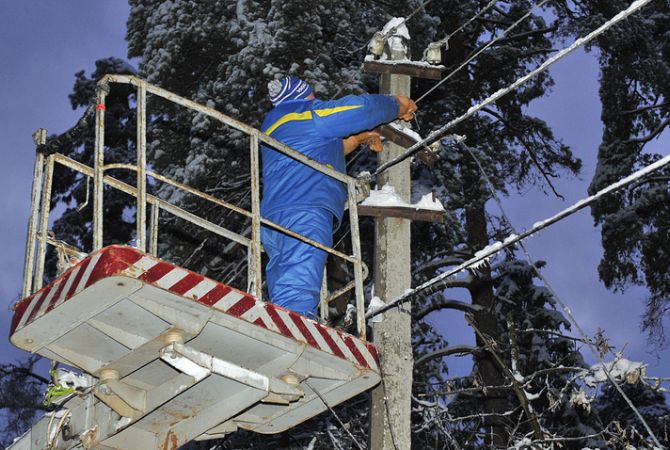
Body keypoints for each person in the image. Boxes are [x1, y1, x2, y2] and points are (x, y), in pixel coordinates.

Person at [260, 75, 417, 318]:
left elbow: (316, 148)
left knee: (285, 279)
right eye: (312, 96)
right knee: (299, 283)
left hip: (275, 215)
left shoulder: (278, 125)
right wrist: (397, 104)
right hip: (306, 209)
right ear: (301, 97)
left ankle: (280, 322)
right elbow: (361, 108)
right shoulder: (307, 113)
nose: (316, 99)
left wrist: (355, 139)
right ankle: (294, 330)